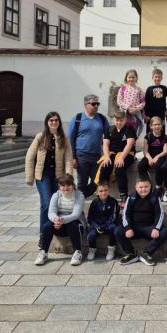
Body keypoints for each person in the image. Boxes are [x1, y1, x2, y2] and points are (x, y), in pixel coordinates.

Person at [26, 111, 73, 244]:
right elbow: (30, 157)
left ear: (59, 122)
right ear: (47, 122)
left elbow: (68, 158)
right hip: (43, 176)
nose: (53, 122)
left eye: (56, 120)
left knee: (56, 205)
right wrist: (29, 177)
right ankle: (43, 235)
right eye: (51, 120)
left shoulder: (64, 138)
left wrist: (69, 177)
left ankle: (55, 231)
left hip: (58, 177)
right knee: (46, 204)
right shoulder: (40, 137)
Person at [115, 174, 167, 266]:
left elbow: (160, 214)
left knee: (164, 233)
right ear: (136, 187)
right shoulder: (131, 197)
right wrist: (128, 228)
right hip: (134, 228)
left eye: (146, 187)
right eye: (140, 187)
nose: (143, 189)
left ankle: (146, 253)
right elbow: (125, 214)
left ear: (150, 186)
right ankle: (131, 253)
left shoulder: (155, 198)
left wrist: (156, 228)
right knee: (118, 231)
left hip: (149, 228)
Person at [35, 174, 85, 266]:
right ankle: (43, 252)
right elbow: (51, 212)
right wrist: (56, 219)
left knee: (73, 224)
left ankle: (77, 252)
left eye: (68, 185)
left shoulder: (79, 195)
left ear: (73, 185)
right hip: (59, 225)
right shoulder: (56, 195)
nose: (66, 188)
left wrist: (62, 220)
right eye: (63, 186)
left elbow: (76, 214)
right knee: (47, 226)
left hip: (74, 224)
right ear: (59, 186)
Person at [68, 95, 110, 197]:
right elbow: (70, 140)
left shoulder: (102, 119)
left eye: (97, 104)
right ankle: (80, 201)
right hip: (81, 156)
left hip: (97, 156)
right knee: (82, 182)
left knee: (97, 181)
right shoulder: (77, 119)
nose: (96, 106)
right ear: (85, 104)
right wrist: (73, 157)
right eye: (93, 104)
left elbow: (108, 137)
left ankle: (82, 197)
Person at [96, 111, 137, 206]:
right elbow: (105, 144)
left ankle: (123, 195)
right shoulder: (109, 129)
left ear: (125, 120)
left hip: (127, 154)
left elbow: (129, 144)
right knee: (104, 167)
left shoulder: (129, 129)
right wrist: (107, 157)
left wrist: (122, 157)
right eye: (117, 120)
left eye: (121, 120)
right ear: (114, 120)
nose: (119, 122)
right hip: (112, 153)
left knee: (119, 168)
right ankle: (102, 193)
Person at [86, 182, 120, 261]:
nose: (103, 193)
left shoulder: (113, 202)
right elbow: (90, 217)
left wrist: (104, 227)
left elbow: (113, 217)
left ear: (109, 191)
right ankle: (92, 250)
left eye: (105, 190)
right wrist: (96, 226)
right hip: (97, 226)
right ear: (97, 192)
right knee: (91, 235)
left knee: (113, 228)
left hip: (108, 225)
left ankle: (111, 249)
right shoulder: (94, 202)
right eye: (101, 191)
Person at [138, 116, 167, 196]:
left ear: (162, 125)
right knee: (141, 165)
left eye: (159, 124)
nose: (157, 126)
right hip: (149, 155)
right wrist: (149, 158)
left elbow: (165, 151)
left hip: (160, 156)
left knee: (158, 166)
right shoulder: (148, 136)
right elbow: (145, 151)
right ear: (151, 126)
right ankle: (146, 182)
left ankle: (158, 186)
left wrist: (157, 157)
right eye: (155, 125)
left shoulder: (165, 137)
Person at [116, 69, 145, 135]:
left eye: (133, 77)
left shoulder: (139, 90)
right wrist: (128, 108)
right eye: (129, 77)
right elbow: (119, 101)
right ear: (126, 78)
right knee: (123, 132)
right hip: (124, 114)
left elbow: (143, 102)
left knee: (134, 132)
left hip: (135, 115)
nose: (131, 79)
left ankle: (133, 141)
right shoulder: (122, 88)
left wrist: (136, 109)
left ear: (136, 78)